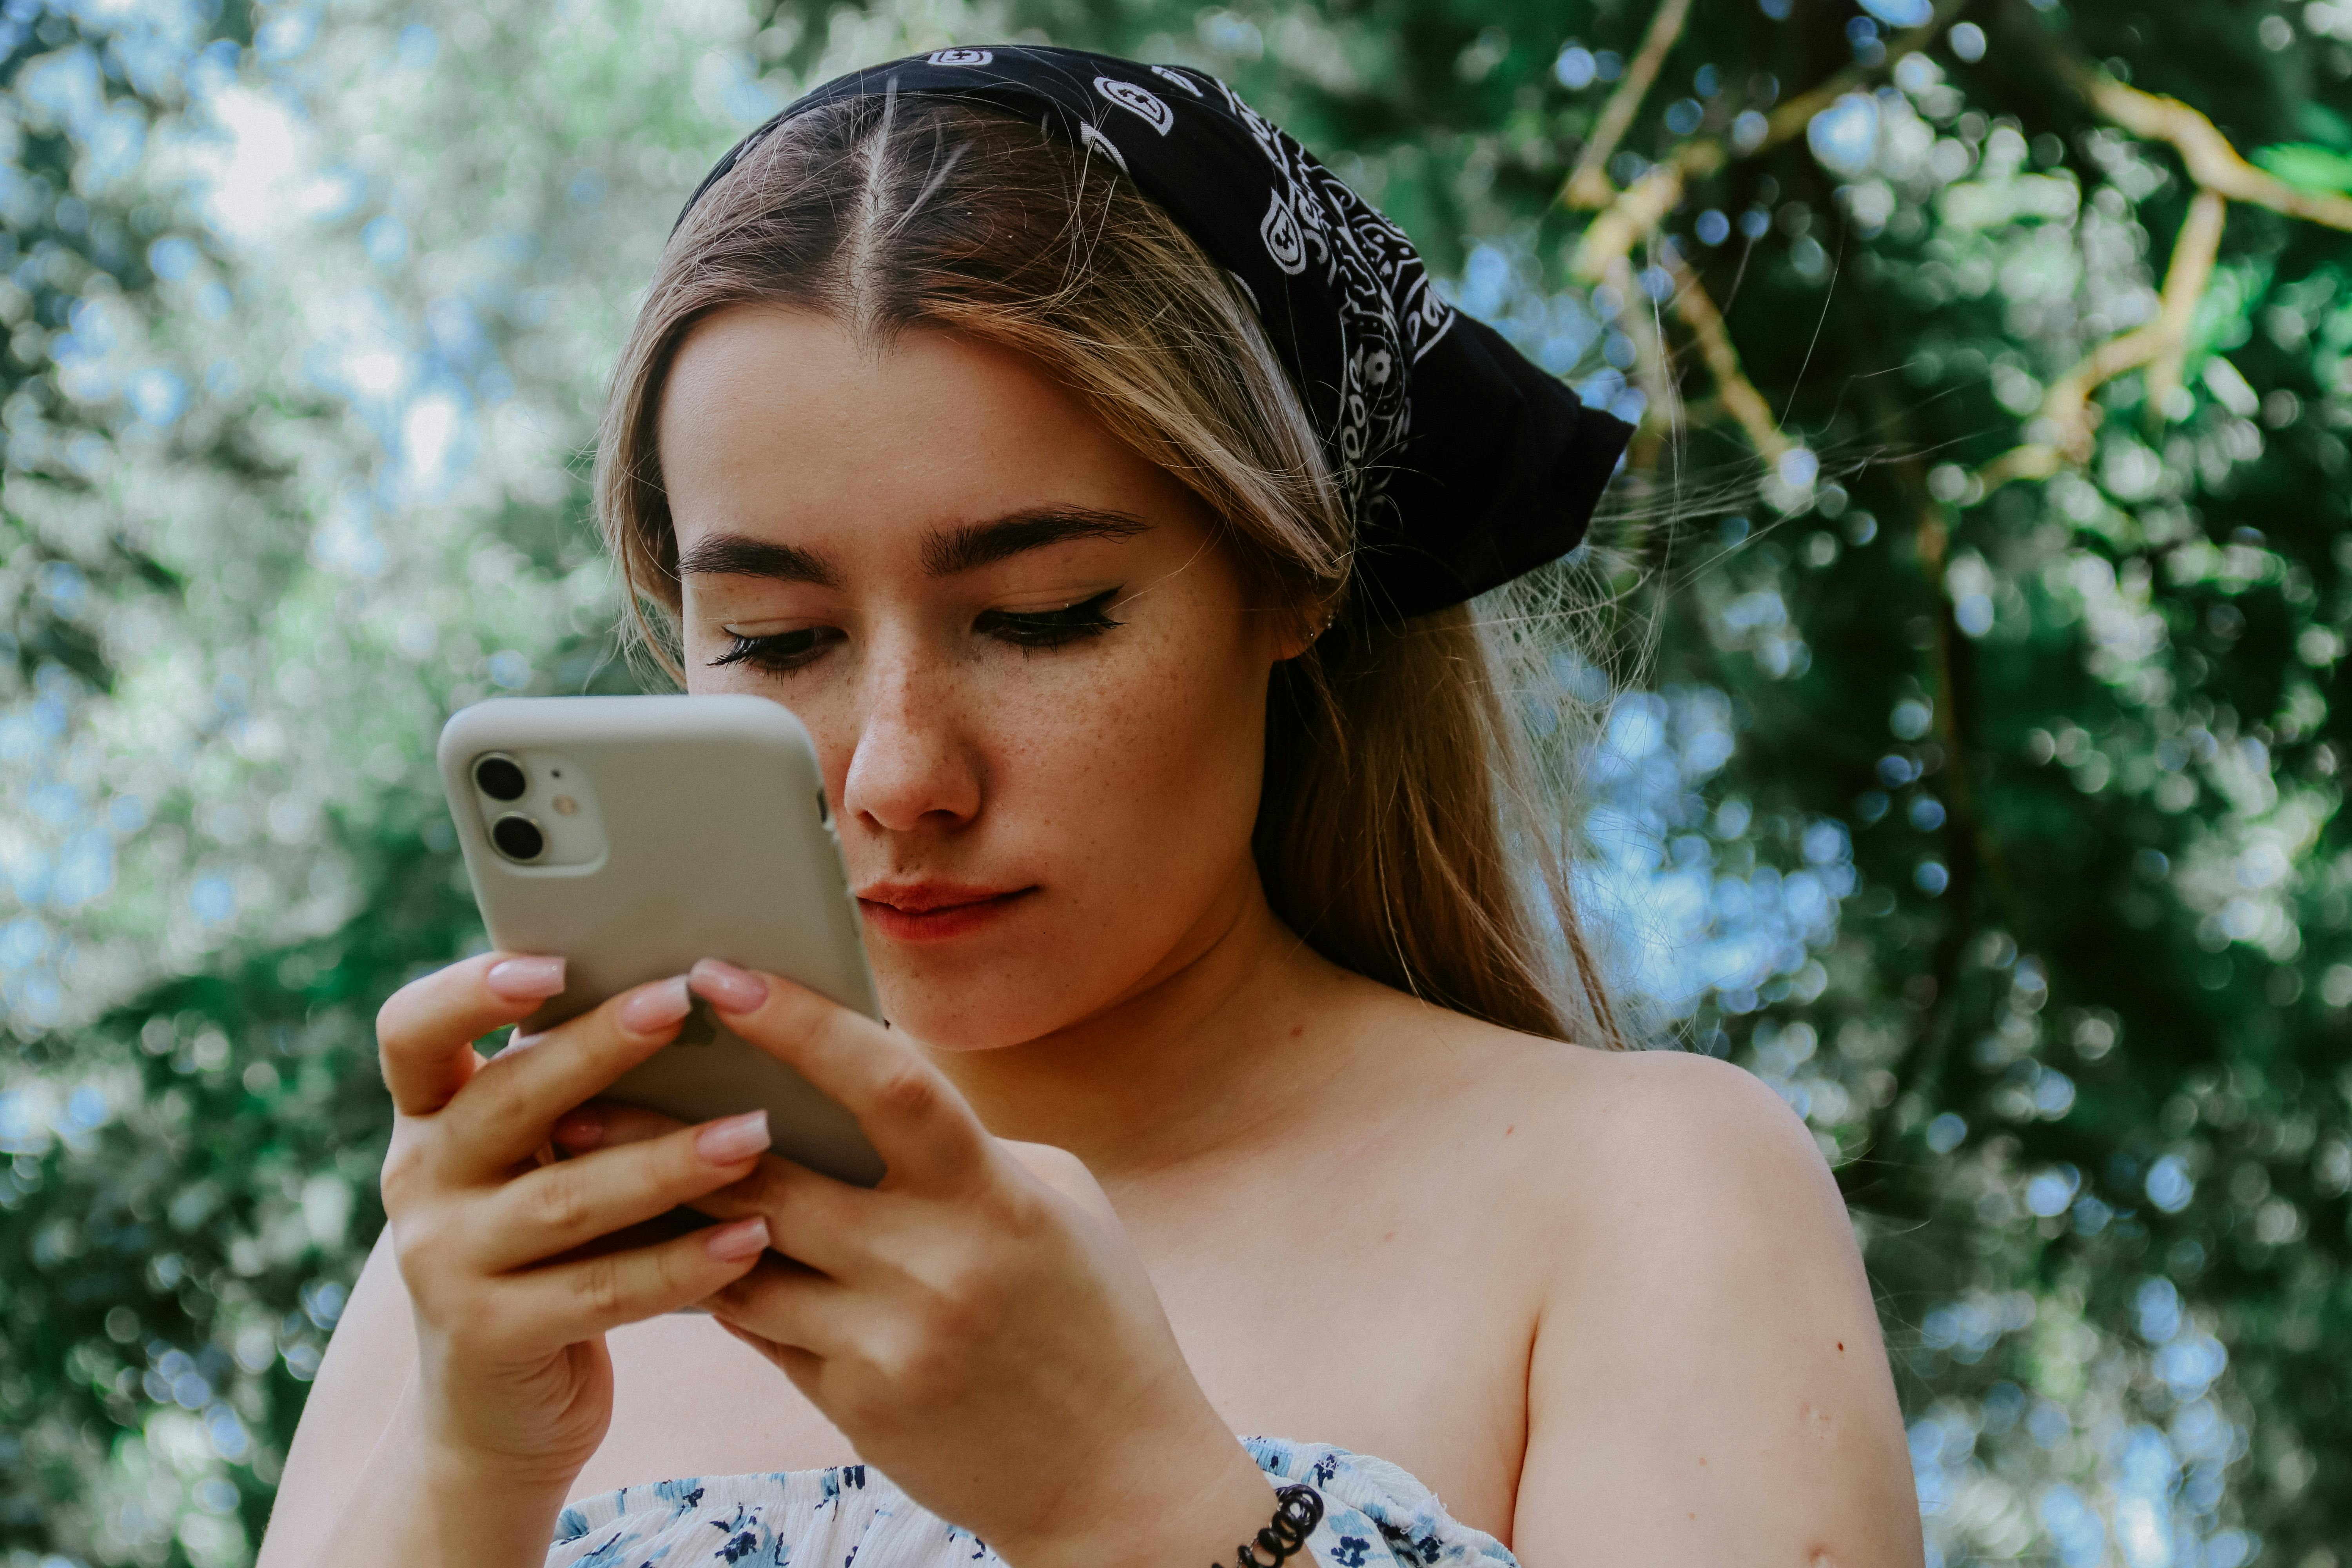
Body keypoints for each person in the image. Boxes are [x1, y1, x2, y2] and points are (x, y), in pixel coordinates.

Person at [256, 46, 1922, 1568]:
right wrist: (470, 1475)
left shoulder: (1642, 1197)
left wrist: (1129, 1496)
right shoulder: (495, 1295)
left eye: (1046, 615)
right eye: (776, 641)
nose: (898, 775)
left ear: (1295, 579)